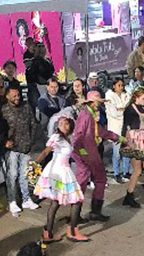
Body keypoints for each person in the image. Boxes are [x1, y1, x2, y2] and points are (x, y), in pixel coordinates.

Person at [34, 114, 89, 243]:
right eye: (61, 124)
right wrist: (34, 164)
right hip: (59, 173)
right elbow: (46, 152)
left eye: (66, 123)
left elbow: (76, 151)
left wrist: (87, 155)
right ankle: (72, 232)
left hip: (62, 172)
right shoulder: (57, 137)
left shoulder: (69, 138)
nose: (63, 126)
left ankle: (48, 233)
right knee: (76, 200)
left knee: (56, 201)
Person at [71, 89, 118, 223]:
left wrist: (118, 138)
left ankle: (86, 214)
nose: (100, 104)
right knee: (85, 182)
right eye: (98, 102)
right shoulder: (86, 115)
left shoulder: (90, 114)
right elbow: (78, 135)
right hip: (86, 153)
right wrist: (81, 152)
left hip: (90, 152)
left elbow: (100, 131)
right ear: (92, 103)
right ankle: (77, 217)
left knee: (96, 180)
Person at [119, 86, 144, 209]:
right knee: (137, 170)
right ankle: (129, 194)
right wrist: (123, 140)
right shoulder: (130, 110)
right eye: (143, 98)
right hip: (134, 138)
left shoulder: (143, 108)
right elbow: (125, 125)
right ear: (136, 97)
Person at [1, 83, 38, 216]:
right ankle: (12, 201)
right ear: (7, 96)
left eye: (18, 95)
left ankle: (26, 198)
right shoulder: (4, 110)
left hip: (26, 146)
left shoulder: (26, 107)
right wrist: (5, 141)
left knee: (24, 174)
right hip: (12, 149)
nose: (17, 98)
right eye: (14, 96)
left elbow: (33, 124)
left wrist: (31, 141)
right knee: (12, 175)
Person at [104, 77, 132, 184]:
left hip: (126, 126)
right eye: (119, 85)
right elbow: (114, 113)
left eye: (122, 85)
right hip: (115, 128)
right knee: (117, 152)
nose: (121, 87)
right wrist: (123, 109)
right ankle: (116, 173)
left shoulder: (126, 95)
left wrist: (121, 108)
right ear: (114, 86)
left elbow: (128, 107)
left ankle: (126, 171)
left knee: (126, 150)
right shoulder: (109, 96)